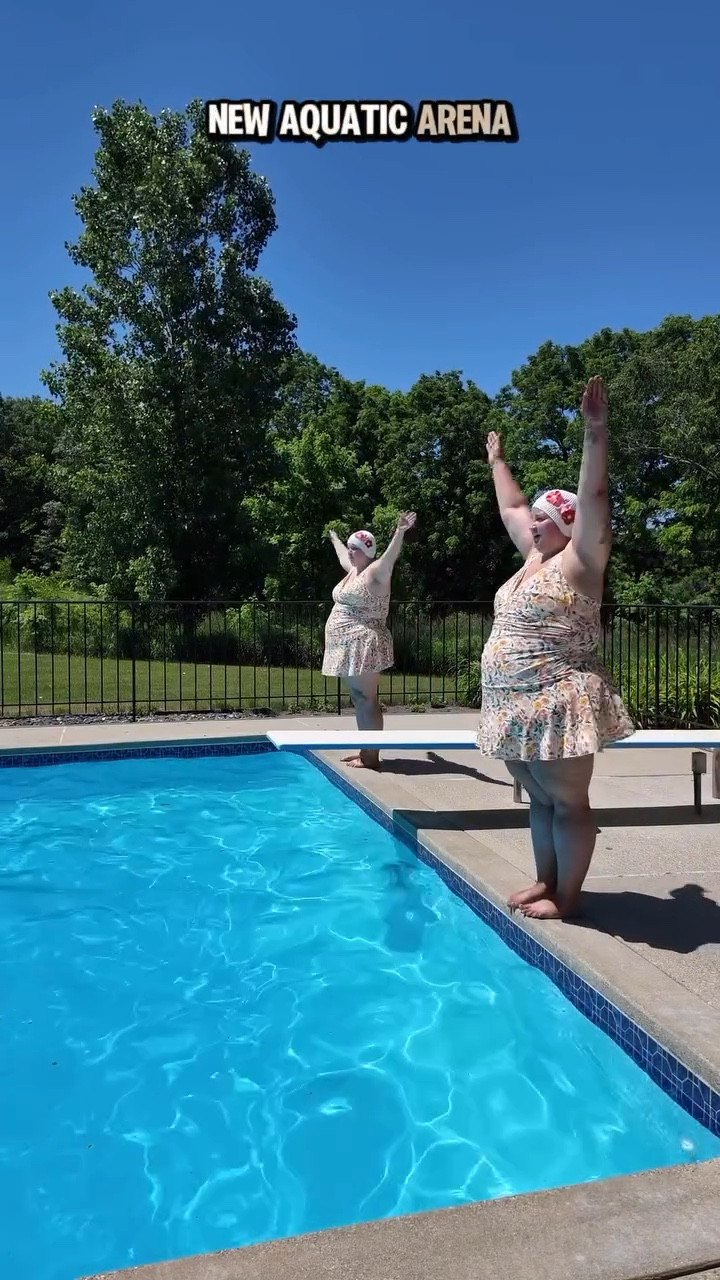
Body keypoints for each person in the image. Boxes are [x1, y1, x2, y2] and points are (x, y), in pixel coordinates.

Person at [477, 375, 635, 920]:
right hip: (513, 702)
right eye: (535, 520)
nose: (533, 525)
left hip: (558, 699)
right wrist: (498, 462)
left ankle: (568, 898)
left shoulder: (580, 562)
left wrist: (595, 430)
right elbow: (511, 507)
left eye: (544, 520)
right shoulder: (533, 558)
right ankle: (547, 880)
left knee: (567, 801)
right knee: (540, 799)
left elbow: (593, 498)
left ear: (568, 526)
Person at [322, 512, 417, 769]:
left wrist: (399, 532)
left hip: (364, 644)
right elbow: (342, 556)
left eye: (355, 548)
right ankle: (365, 750)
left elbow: (390, 557)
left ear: (367, 551)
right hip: (349, 646)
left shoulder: (376, 572)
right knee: (359, 698)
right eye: (349, 547)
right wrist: (334, 538)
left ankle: (371, 756)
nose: (350, 552)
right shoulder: (354, 570)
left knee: (367, 699)